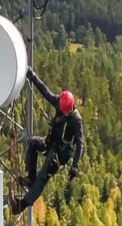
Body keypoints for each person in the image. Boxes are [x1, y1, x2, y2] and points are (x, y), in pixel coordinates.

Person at [11, 67, 83, 214]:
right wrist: (31, 75)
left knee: (44, 173)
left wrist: (74, 166)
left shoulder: (76, 120)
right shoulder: (59, 103)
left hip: (60, 153)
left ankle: (21, 205)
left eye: (66, 112)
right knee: (32, 143)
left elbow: (80, 144)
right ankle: (31, 178)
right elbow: (44, 91)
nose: (64, 113)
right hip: (51, 143)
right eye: (63, 111)